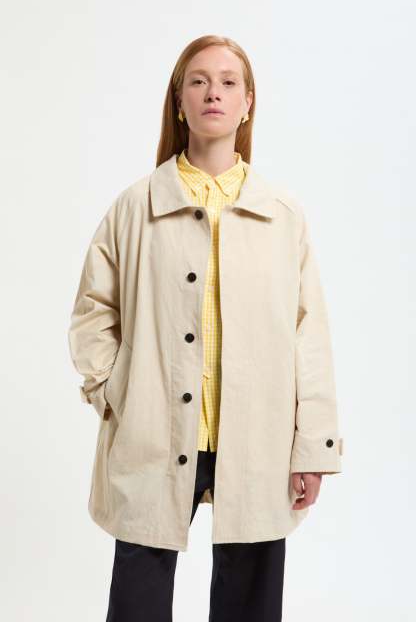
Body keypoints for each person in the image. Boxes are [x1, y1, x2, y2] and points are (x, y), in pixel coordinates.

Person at [68, 34, 343, 621]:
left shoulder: (282, 215)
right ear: (179, 101)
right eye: (198, 81)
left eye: (227, 82)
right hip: (154, 431)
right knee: (138, 600)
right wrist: (114, 391)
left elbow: (309, 335)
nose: (212, 92)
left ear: (247, 103)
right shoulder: (135, 207)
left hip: (258, 436)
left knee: (250, 603)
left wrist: (312, 444)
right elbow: (93, 310)